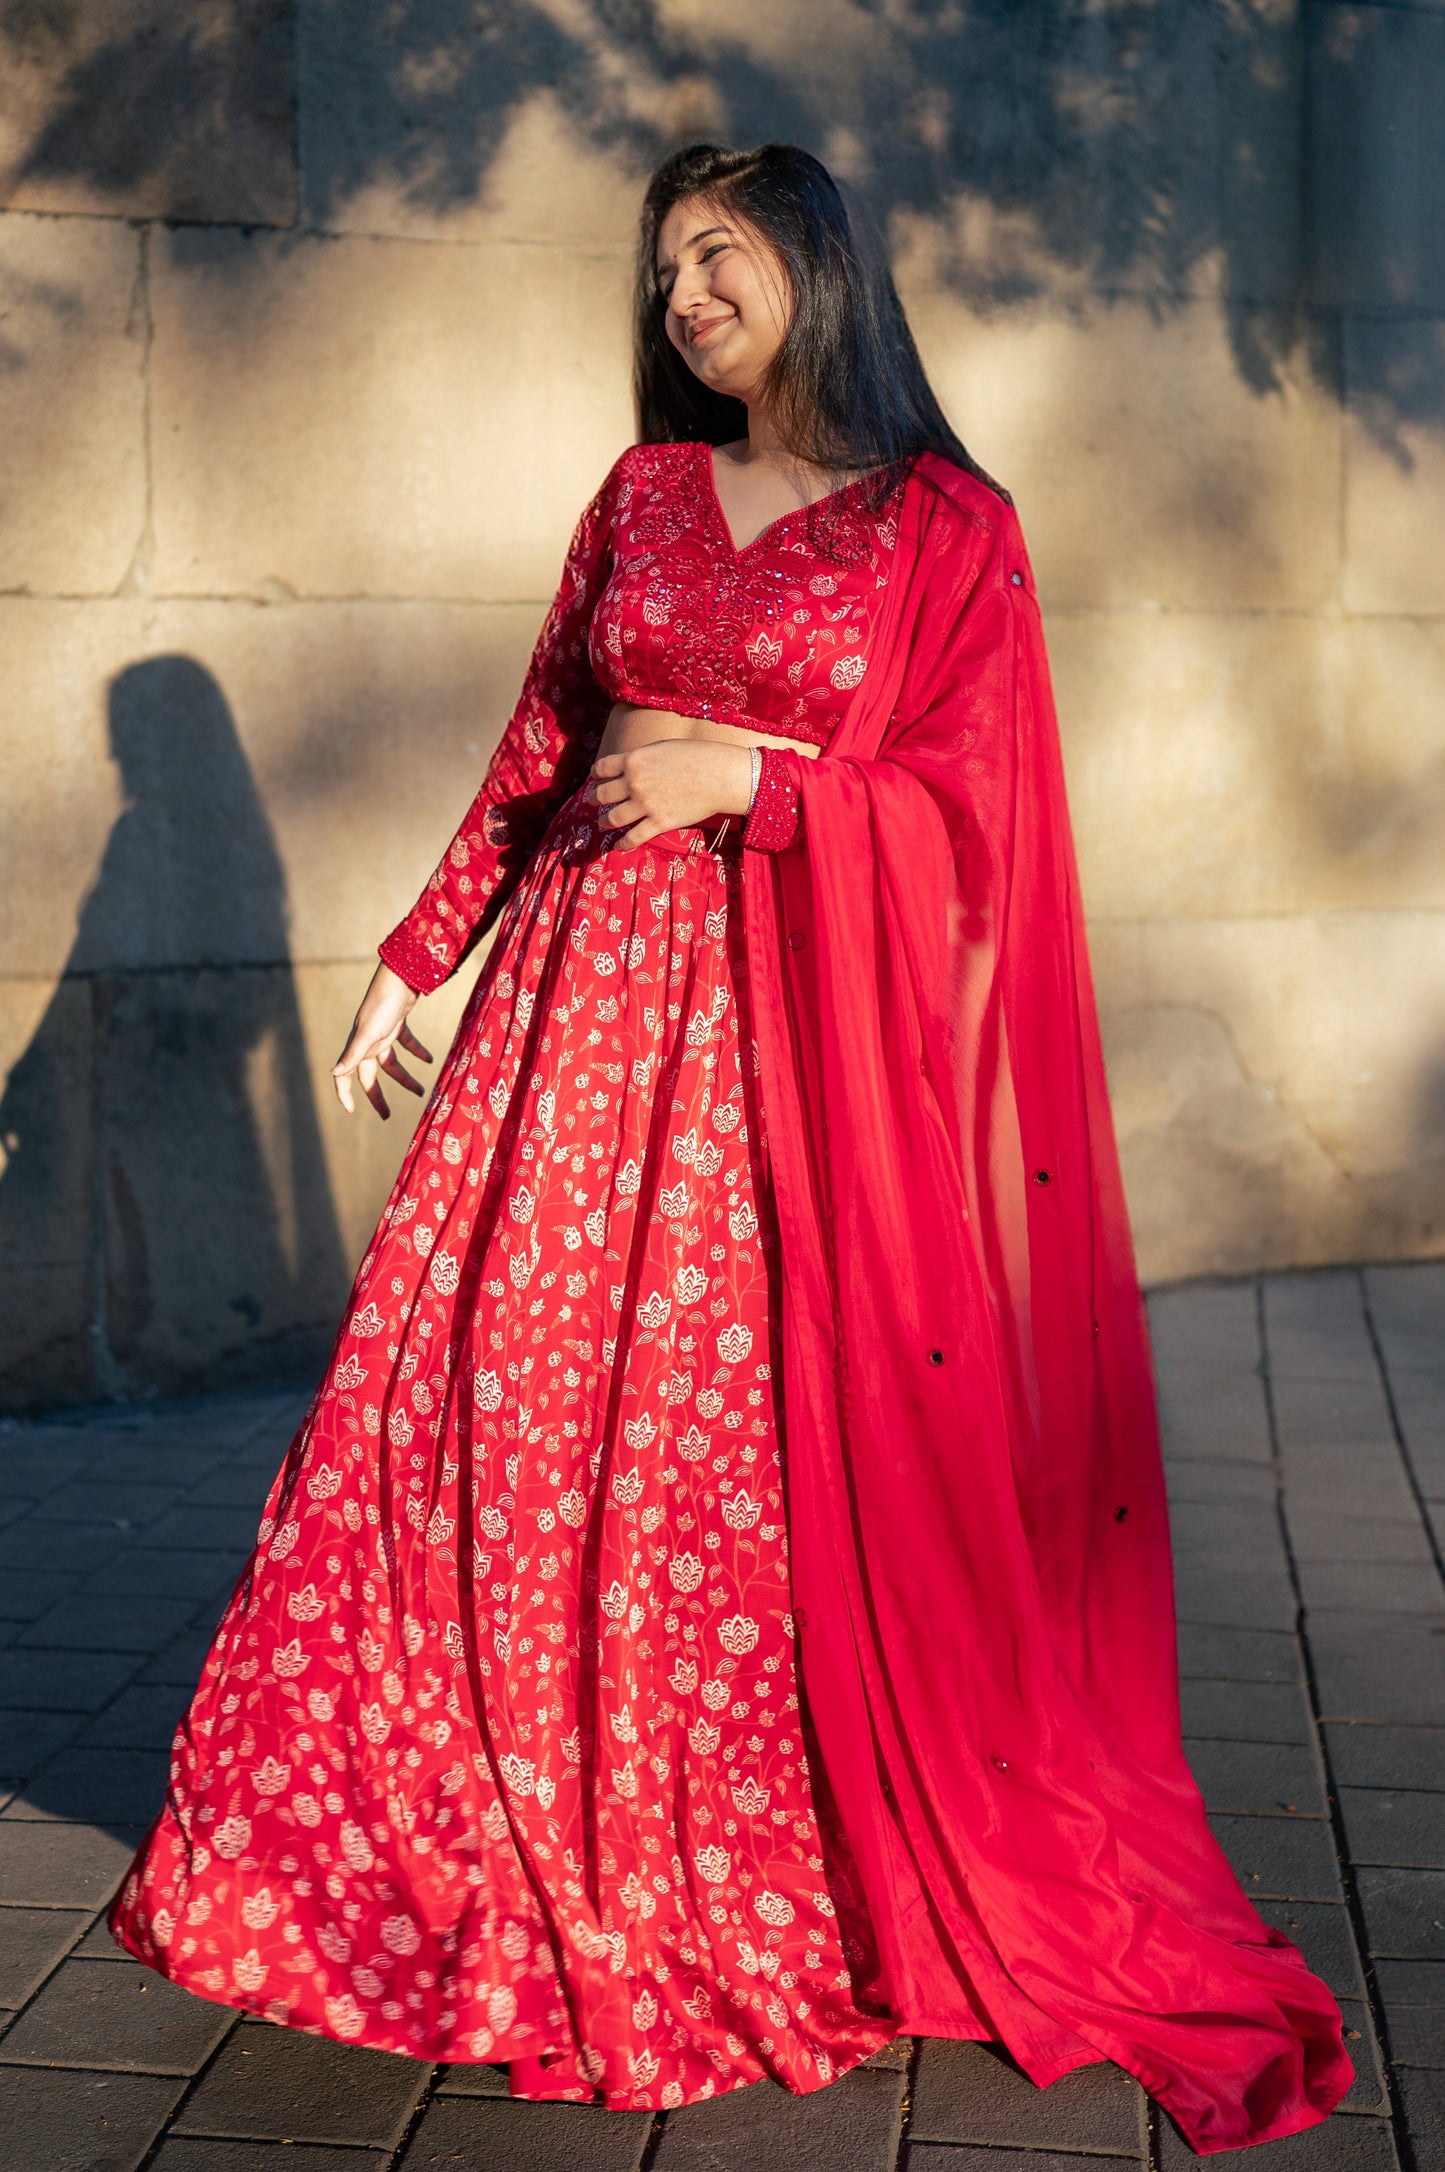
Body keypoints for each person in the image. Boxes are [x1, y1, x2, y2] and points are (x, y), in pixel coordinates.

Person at [111, 143, 1351, 2152]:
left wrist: (752, 775)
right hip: (568, 1045)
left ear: (818, 269)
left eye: (724, 254)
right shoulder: (643, 497)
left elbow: (979, 820)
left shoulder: (949, 528)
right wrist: (414, 962)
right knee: (491, 1419)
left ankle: (720, 1868)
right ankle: (480, 1832)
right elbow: (537, 748)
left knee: (709, 1454)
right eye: (667, 264)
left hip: (788, 1080)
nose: (687, 291)